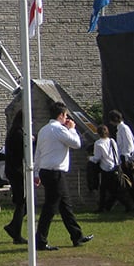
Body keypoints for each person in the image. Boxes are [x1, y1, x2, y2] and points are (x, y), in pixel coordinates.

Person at [33, 101, 92, 251]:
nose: (67, 118)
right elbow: (76, 143)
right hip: (54, 172)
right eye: (65, 115)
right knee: (50, 207)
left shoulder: (44, 130)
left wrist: (36, 172)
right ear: (61, 116)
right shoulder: (58, 129)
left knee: (65, 206)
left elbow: (38, 153)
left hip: (48, 171)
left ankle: (76, 236)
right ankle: (40, 240)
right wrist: (72, 129)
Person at [90, 124, 133, 213]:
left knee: (106, 190)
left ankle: (103, 207)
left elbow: (97, 157)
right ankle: (107, 206)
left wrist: (90, 158)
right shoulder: (112, 141)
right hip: (115, 166)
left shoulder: (98, 143)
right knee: (113, 189)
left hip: (106, 168)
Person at [1, 110, 29, 245]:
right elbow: (23, 151)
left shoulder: (14, 132)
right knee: (21, 202)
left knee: (23, 202)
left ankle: (13, 226)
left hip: (13, 170)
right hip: (16, 171)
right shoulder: (18, 134)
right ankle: (15, 231)